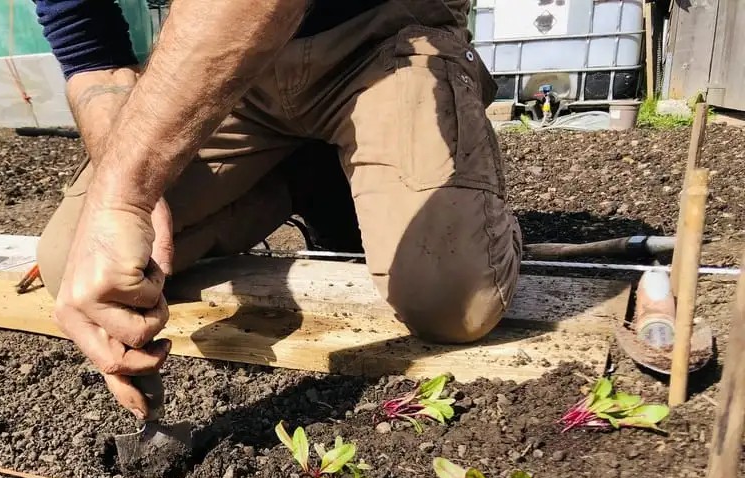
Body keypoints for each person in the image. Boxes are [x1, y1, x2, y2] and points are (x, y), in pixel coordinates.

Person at [34, 0, 521, 421]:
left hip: (385, 35)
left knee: (451, 298)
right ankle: (306, 177)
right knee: (72, 263)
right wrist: (128, 199)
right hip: (227, 66)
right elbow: (91, 52)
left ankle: (472, 208)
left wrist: (125, 195)